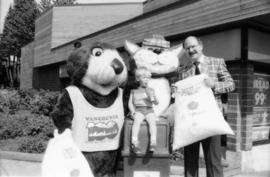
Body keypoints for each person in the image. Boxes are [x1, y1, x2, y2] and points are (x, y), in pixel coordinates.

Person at [176, 36, 235, 177]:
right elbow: (181, 96)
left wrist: (214, 84)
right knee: (190, 161)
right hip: (191, 121)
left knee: (213, 161)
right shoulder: (183, 71)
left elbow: (231, 84)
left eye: (193, 46)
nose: (191, 50)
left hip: (211, 119)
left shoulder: (216, 62)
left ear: (200, 46)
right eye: (187, 48)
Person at [128, 67, 159, 154]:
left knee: (152, 123)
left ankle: (153, 142)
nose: (146, 80)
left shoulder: (151, 90)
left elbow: (156, 103)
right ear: (138, 79)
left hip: (149, 110)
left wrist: (151, 97)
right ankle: (134, 142)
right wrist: (132, 110)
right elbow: (130, 103)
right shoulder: (134, 91)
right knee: (136, 122)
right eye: (144, 78)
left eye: (148, 78)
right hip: (139, 110)